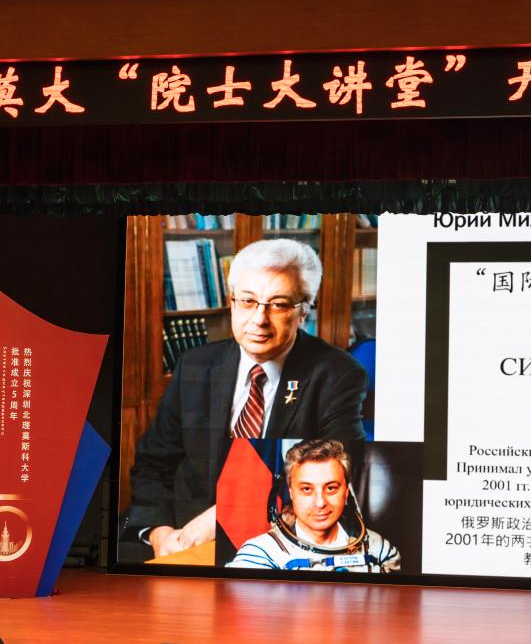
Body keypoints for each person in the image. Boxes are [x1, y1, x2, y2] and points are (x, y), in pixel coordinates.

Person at [126, 239, 368, 558]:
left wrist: (217, 519)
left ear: (304, 310)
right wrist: (160, 534)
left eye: (278, 304)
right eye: (248, 301)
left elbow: (338, 471)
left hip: (280, 541)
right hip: (183, 538)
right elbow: (153, 463)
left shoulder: (338, 375)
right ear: (232, 302)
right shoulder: (195, 365)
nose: (259, 319)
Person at [227, 439, 400, 572]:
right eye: (306, 489)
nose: (320, 503)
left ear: (346, 492)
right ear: (291, 493)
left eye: (331, 488)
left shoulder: (379, 549)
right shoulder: (260, 554)